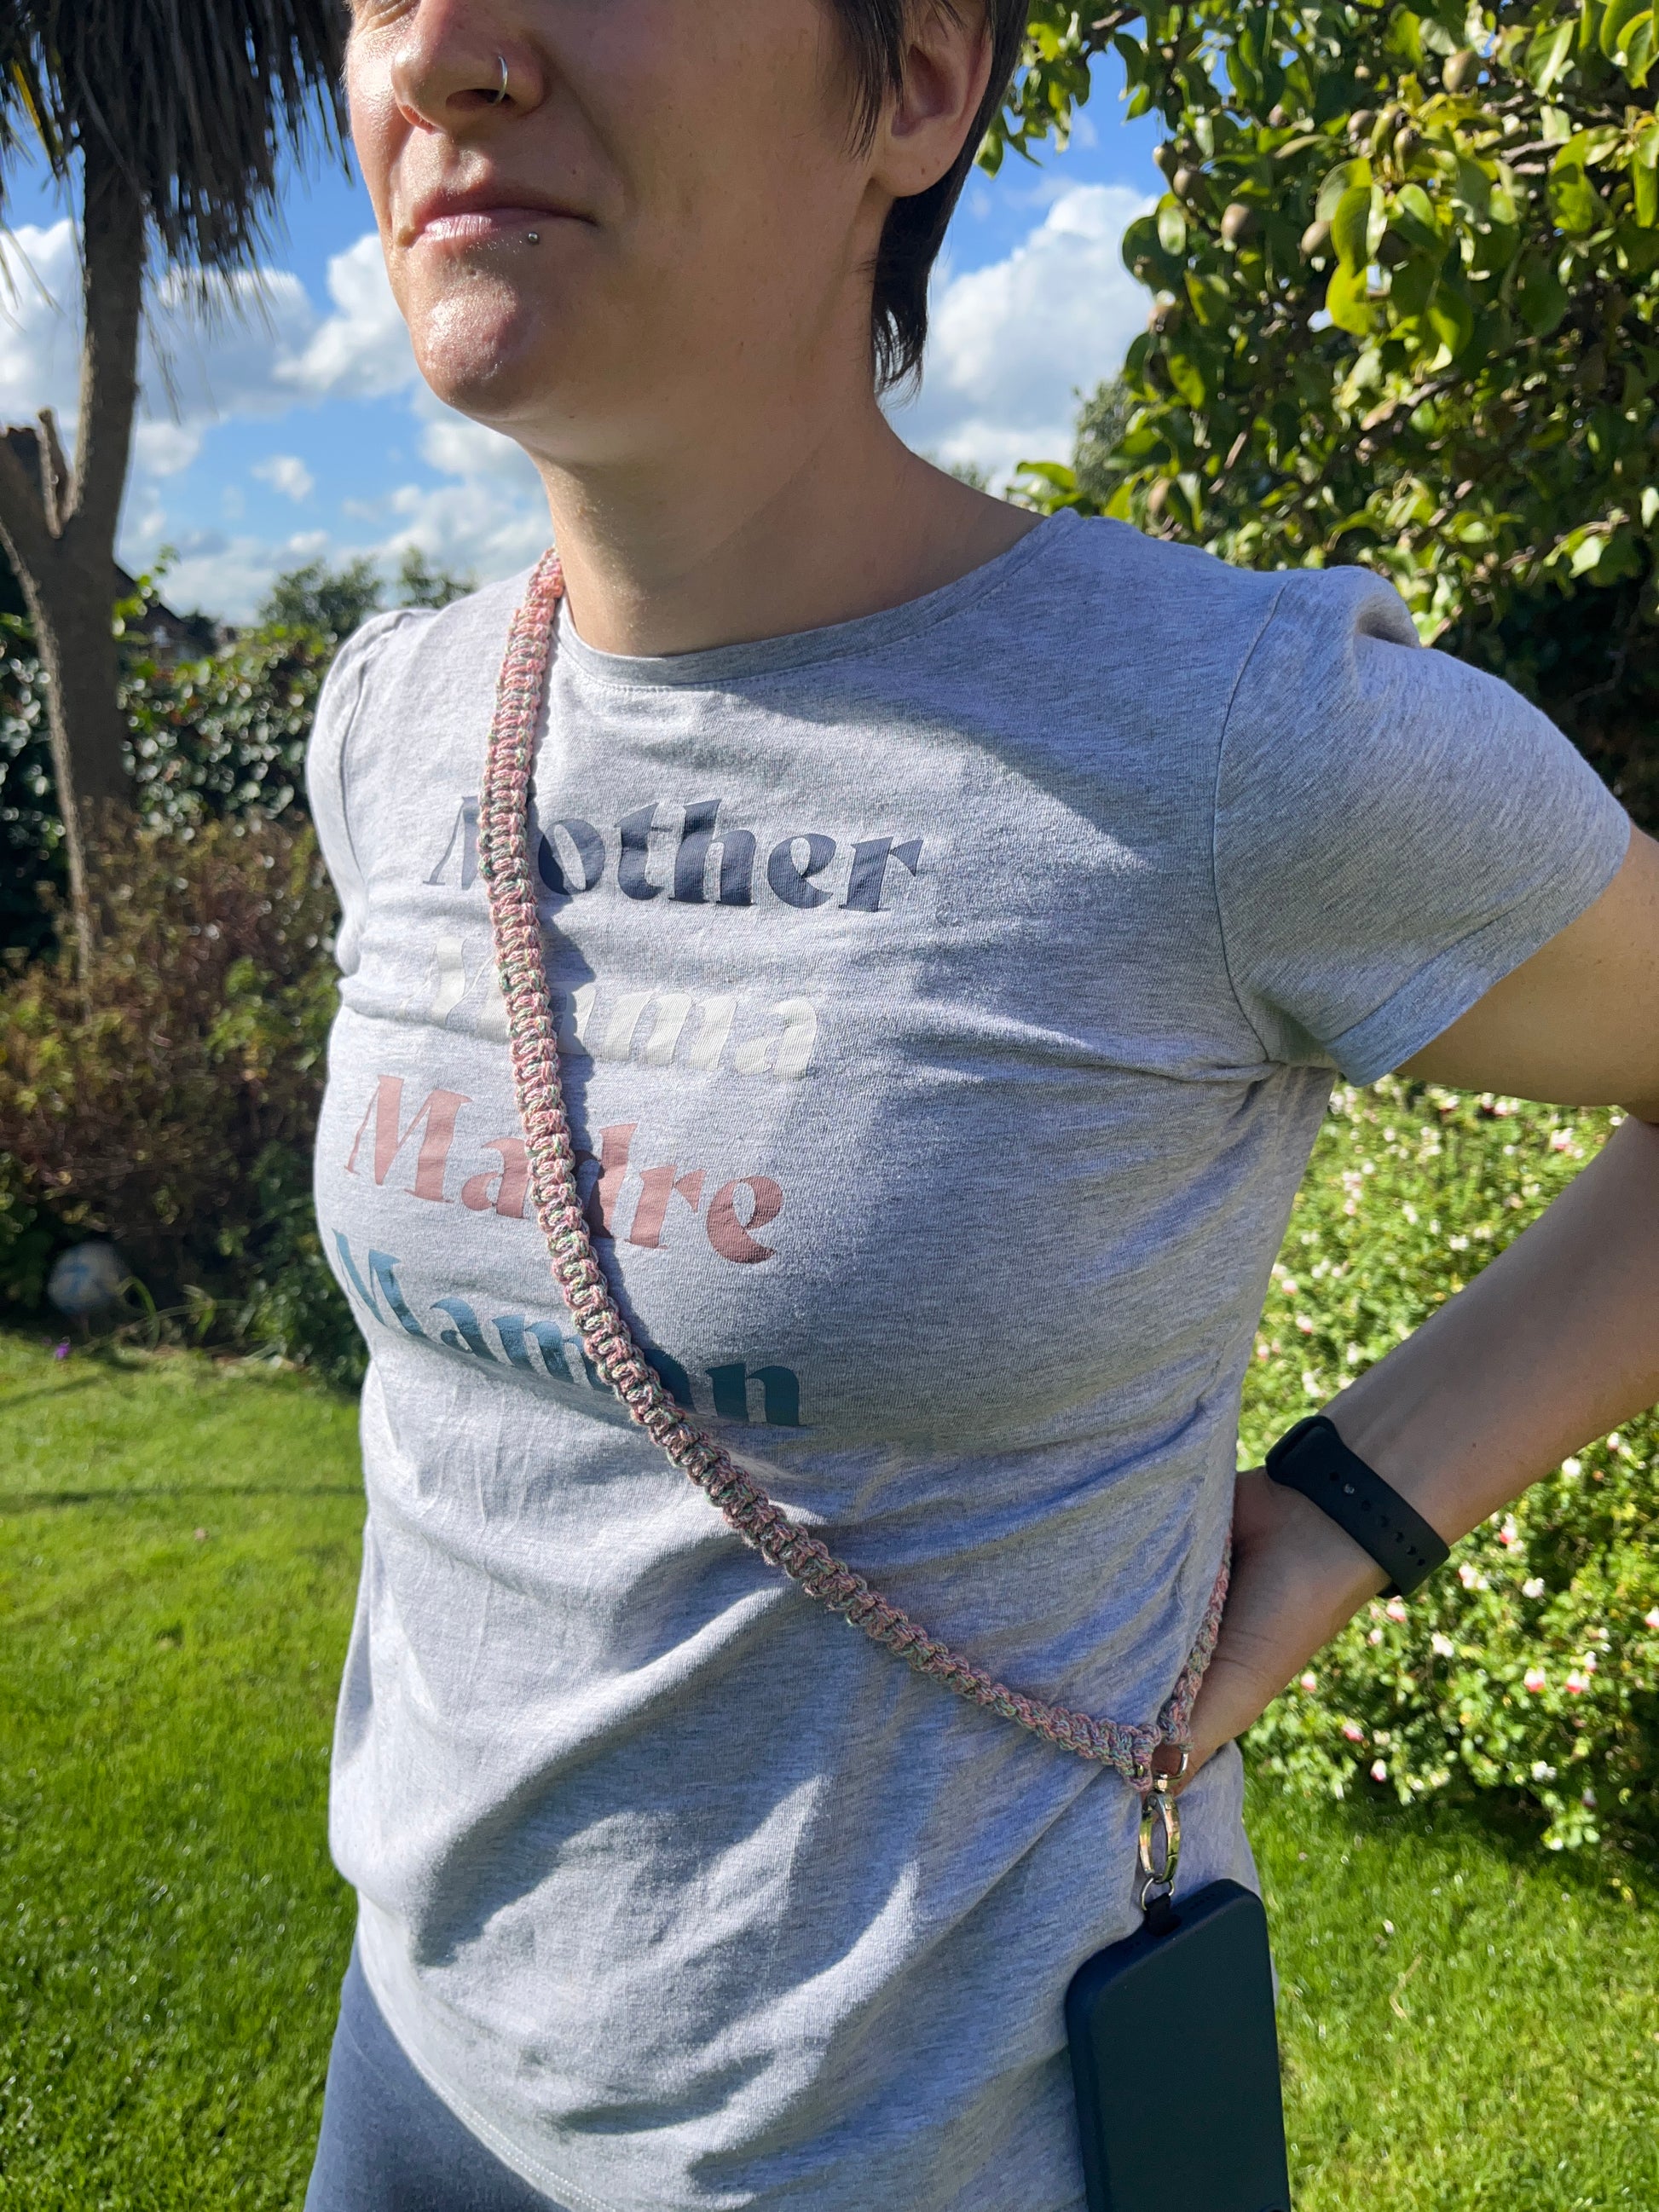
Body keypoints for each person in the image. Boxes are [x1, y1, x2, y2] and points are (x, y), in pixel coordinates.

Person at [303, 3, 1659, 2208]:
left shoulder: (1232, 743)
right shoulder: (393, 721)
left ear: (917, 82)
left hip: (942, 2141)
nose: (443, 48)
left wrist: (1340, 1519)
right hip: (414, 2080)